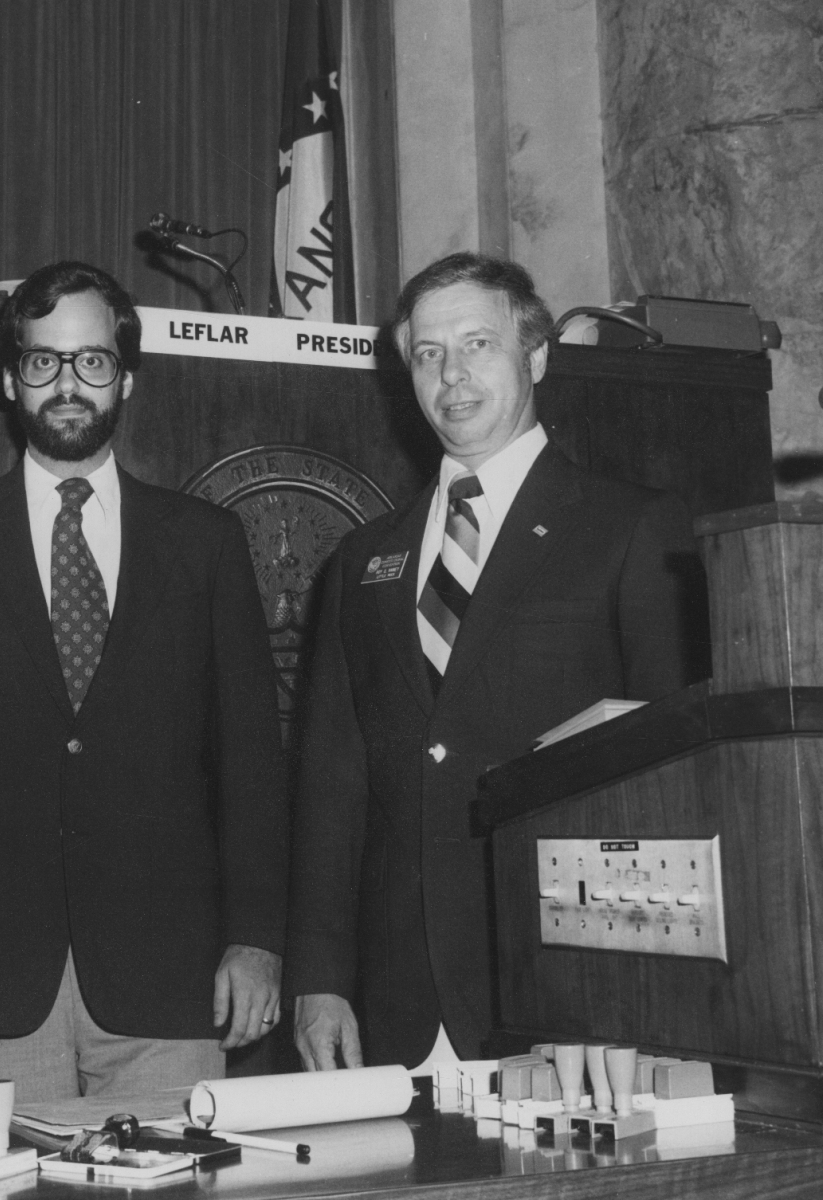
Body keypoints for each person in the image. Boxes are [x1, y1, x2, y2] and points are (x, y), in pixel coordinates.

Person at [0, 261, 289, 1106]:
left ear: (124, 379)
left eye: (90, 362)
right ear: (11, 379)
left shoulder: (204, 543)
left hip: (170, 971)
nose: (67, 384)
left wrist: (256, 938)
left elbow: (250, 765)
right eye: (43, 361)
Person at [287, 252, 709, 1072]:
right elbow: (330, 784)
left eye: (478, 344)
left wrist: (646, 991)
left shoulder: (629, 528)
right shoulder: (361, 560)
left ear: (535, 356)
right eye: (428, 353)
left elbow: (672, 778)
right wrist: (319, 978)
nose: (452, 375)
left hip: (568, 994)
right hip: (395, 1003)